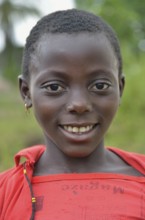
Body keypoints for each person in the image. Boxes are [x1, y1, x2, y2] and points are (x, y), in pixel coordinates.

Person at [0, 9, 145, 220]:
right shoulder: (7, 194)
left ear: (120, 89)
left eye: (100, 85)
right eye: (54, 87)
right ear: (26, 92)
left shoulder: (139, 179)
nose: (79, 104)